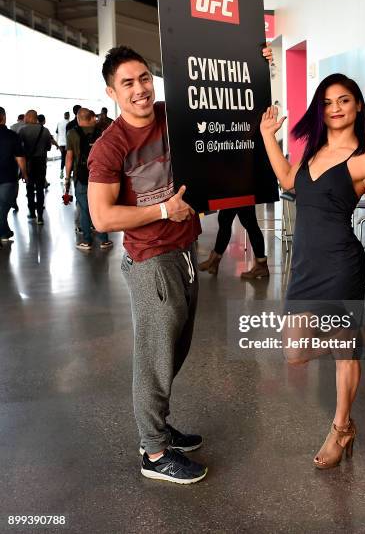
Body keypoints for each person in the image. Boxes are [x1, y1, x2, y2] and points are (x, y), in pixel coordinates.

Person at [88, 44, 272, 484]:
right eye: (128, 83)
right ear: (112, 91)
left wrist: (255, 64)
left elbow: (228, 101)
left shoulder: (173, 114)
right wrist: (163, 211)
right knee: (154, 356)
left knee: (175, 348)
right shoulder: (110, 147)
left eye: (144, 78)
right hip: (151, 258)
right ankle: (153, 452)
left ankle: (158, 427)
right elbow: (102, 217)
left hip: (183, 249)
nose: (139, 90)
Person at [259, 73, 365, 469]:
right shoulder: (312, 152)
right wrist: (269, 135)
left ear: (357, 107)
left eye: (344, 100)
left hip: (340, 266)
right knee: (295, 352)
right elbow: (287, 179)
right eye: (328, 102)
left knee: (342, 351)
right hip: (304, 267)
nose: (335, 108)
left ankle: (341, 427)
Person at [64, 108, 112, 251]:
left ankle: (87, 241)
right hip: (101, 176)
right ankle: (104, 240)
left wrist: (67, 177)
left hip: (81, 176)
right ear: (92, 117)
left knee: (85, 209)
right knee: (101, 207)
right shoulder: (103, 132)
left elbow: (69, 157)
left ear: (78, 119)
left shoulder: (72, 133)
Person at [199, 206, 269, 278]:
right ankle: (214, 261)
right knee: (226, 219)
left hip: (240, 195)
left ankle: (214, 261)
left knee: (247, 222)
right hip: (238, 195)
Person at [19, 110, 52, 225]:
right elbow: (48, 147)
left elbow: (19, 149)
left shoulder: (22, 130)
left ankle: (32, 212)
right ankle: (40, 216)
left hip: (28, 162)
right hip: (41, 162)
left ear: (28, 117)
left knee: (29, 187)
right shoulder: (45, 130)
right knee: (40, 188)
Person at [0, 107, 26, 241]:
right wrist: (25, 174)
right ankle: (3, 232)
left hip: (7, 177)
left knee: (2, 207)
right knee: (4, 205)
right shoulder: (12, 136)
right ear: (3, 118)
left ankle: (4, 231)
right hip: (8, 177)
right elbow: (20, 158)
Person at [56, 111, 70, 179]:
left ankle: (61, 171)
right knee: (69, 158)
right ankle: (68, 173)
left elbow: (57, 133)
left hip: (61, 143)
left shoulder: (59, 123)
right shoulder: (69, 123)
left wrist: (57, 144)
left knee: (63, 158)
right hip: (68, 143)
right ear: (68, 116)